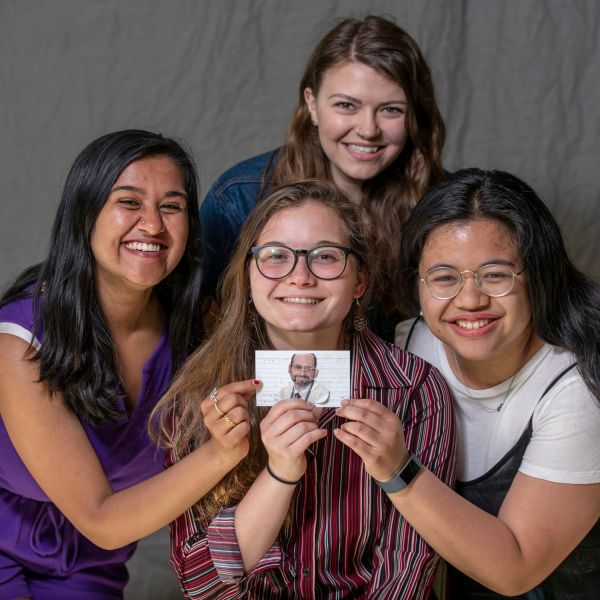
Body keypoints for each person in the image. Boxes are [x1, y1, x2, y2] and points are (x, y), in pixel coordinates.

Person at [151, 180, 456, 599]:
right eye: (276, 256)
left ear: (360, 280)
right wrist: (279, 473)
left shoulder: (415, 390)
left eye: (325, 257)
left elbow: (406, 572)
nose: (300, 277)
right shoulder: (203, 395)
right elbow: (201, 584)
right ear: (248, 274)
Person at [0, 130, 252, 600]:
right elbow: (102, 518)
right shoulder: (22, 339)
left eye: (171, 206)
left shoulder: (198, 326)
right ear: (85, 212)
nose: (152, 225)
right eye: (129, 202)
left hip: (93, 559)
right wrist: (219, 453)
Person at [393, 168, 600, 598]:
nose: (470, 301)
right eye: (445, 278)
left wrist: (396, 469)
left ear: (538, 276)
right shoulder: (407, 344)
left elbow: (515, 569)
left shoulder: (579, 387)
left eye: (496, 274)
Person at [200, 14, 446, 341]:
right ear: (312, 105)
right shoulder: (239, 198)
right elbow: (196, 322)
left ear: (415, 115)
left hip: (402, 388)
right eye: (346, 105)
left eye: (391, 110)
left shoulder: (447, 206)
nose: (368, 129)